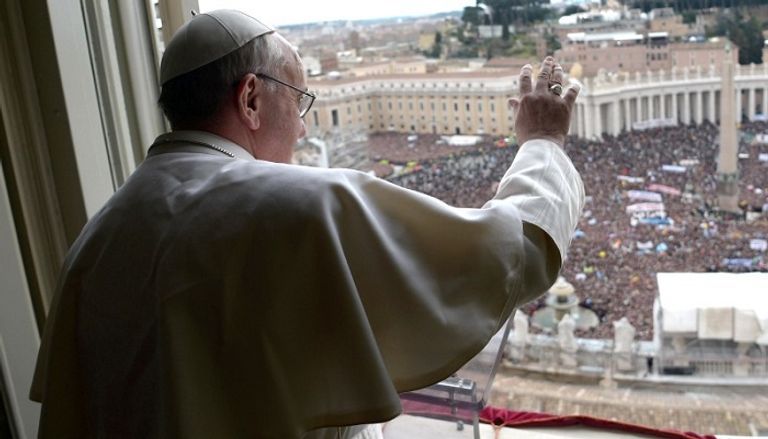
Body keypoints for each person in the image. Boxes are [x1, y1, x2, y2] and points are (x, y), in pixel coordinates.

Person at [29, 9, 584, 439]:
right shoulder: (300, 205)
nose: (300, 128)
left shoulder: (96, 237)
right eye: (298, 99)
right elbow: (510, 253)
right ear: (250, 98)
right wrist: (543, 144)